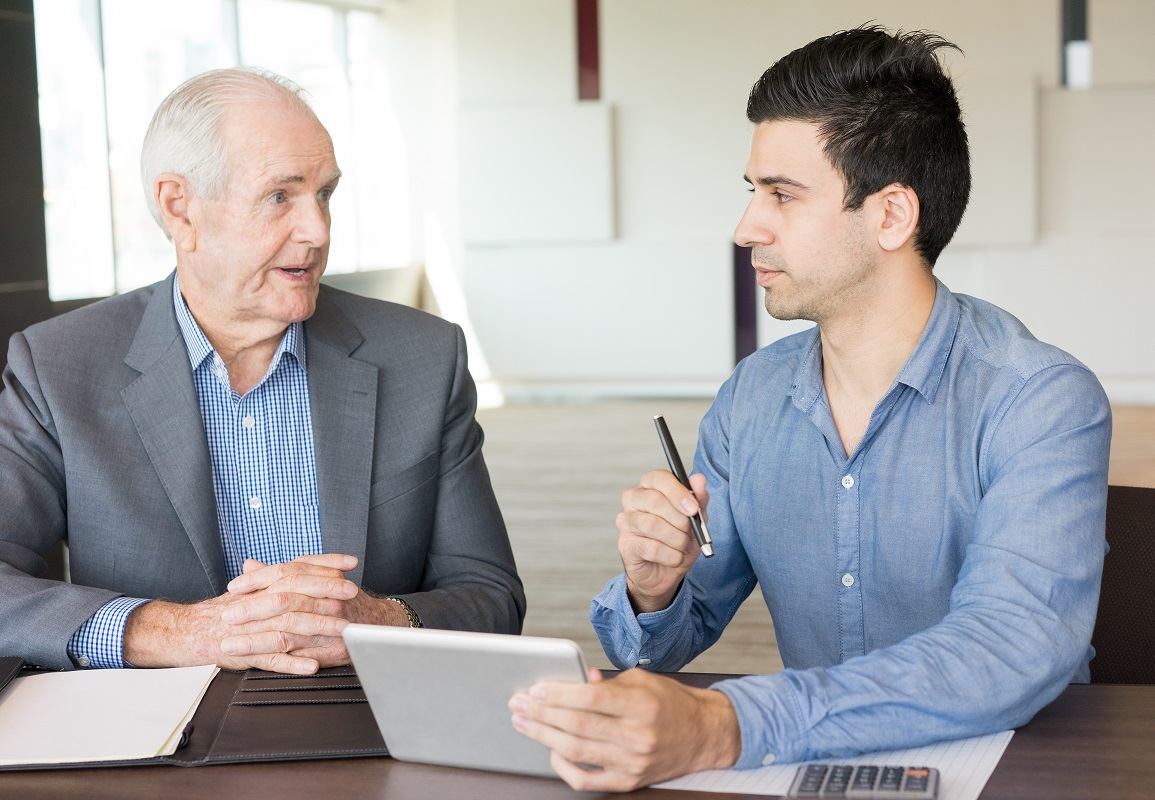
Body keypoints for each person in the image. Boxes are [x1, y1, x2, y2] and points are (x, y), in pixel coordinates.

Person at [509, 25, 1111, 791]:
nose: (744, 228)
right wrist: (653, 587)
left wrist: (731, 723)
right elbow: (659, 648)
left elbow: (1007, 648)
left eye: (781, 196)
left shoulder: (1038, 400)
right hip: (822, 769)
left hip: (1018, 770)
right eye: (751, 191)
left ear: (891, 216)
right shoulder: (753, 397)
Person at [0, 68, 524, 674]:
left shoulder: (423, 357)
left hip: (368, 714)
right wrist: (174, 632)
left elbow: (491, 597)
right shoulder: (59, 365)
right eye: (281, 196)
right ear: (180, 209)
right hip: (153, 736)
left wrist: (378, 621)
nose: (318, 230)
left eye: (324, 194)